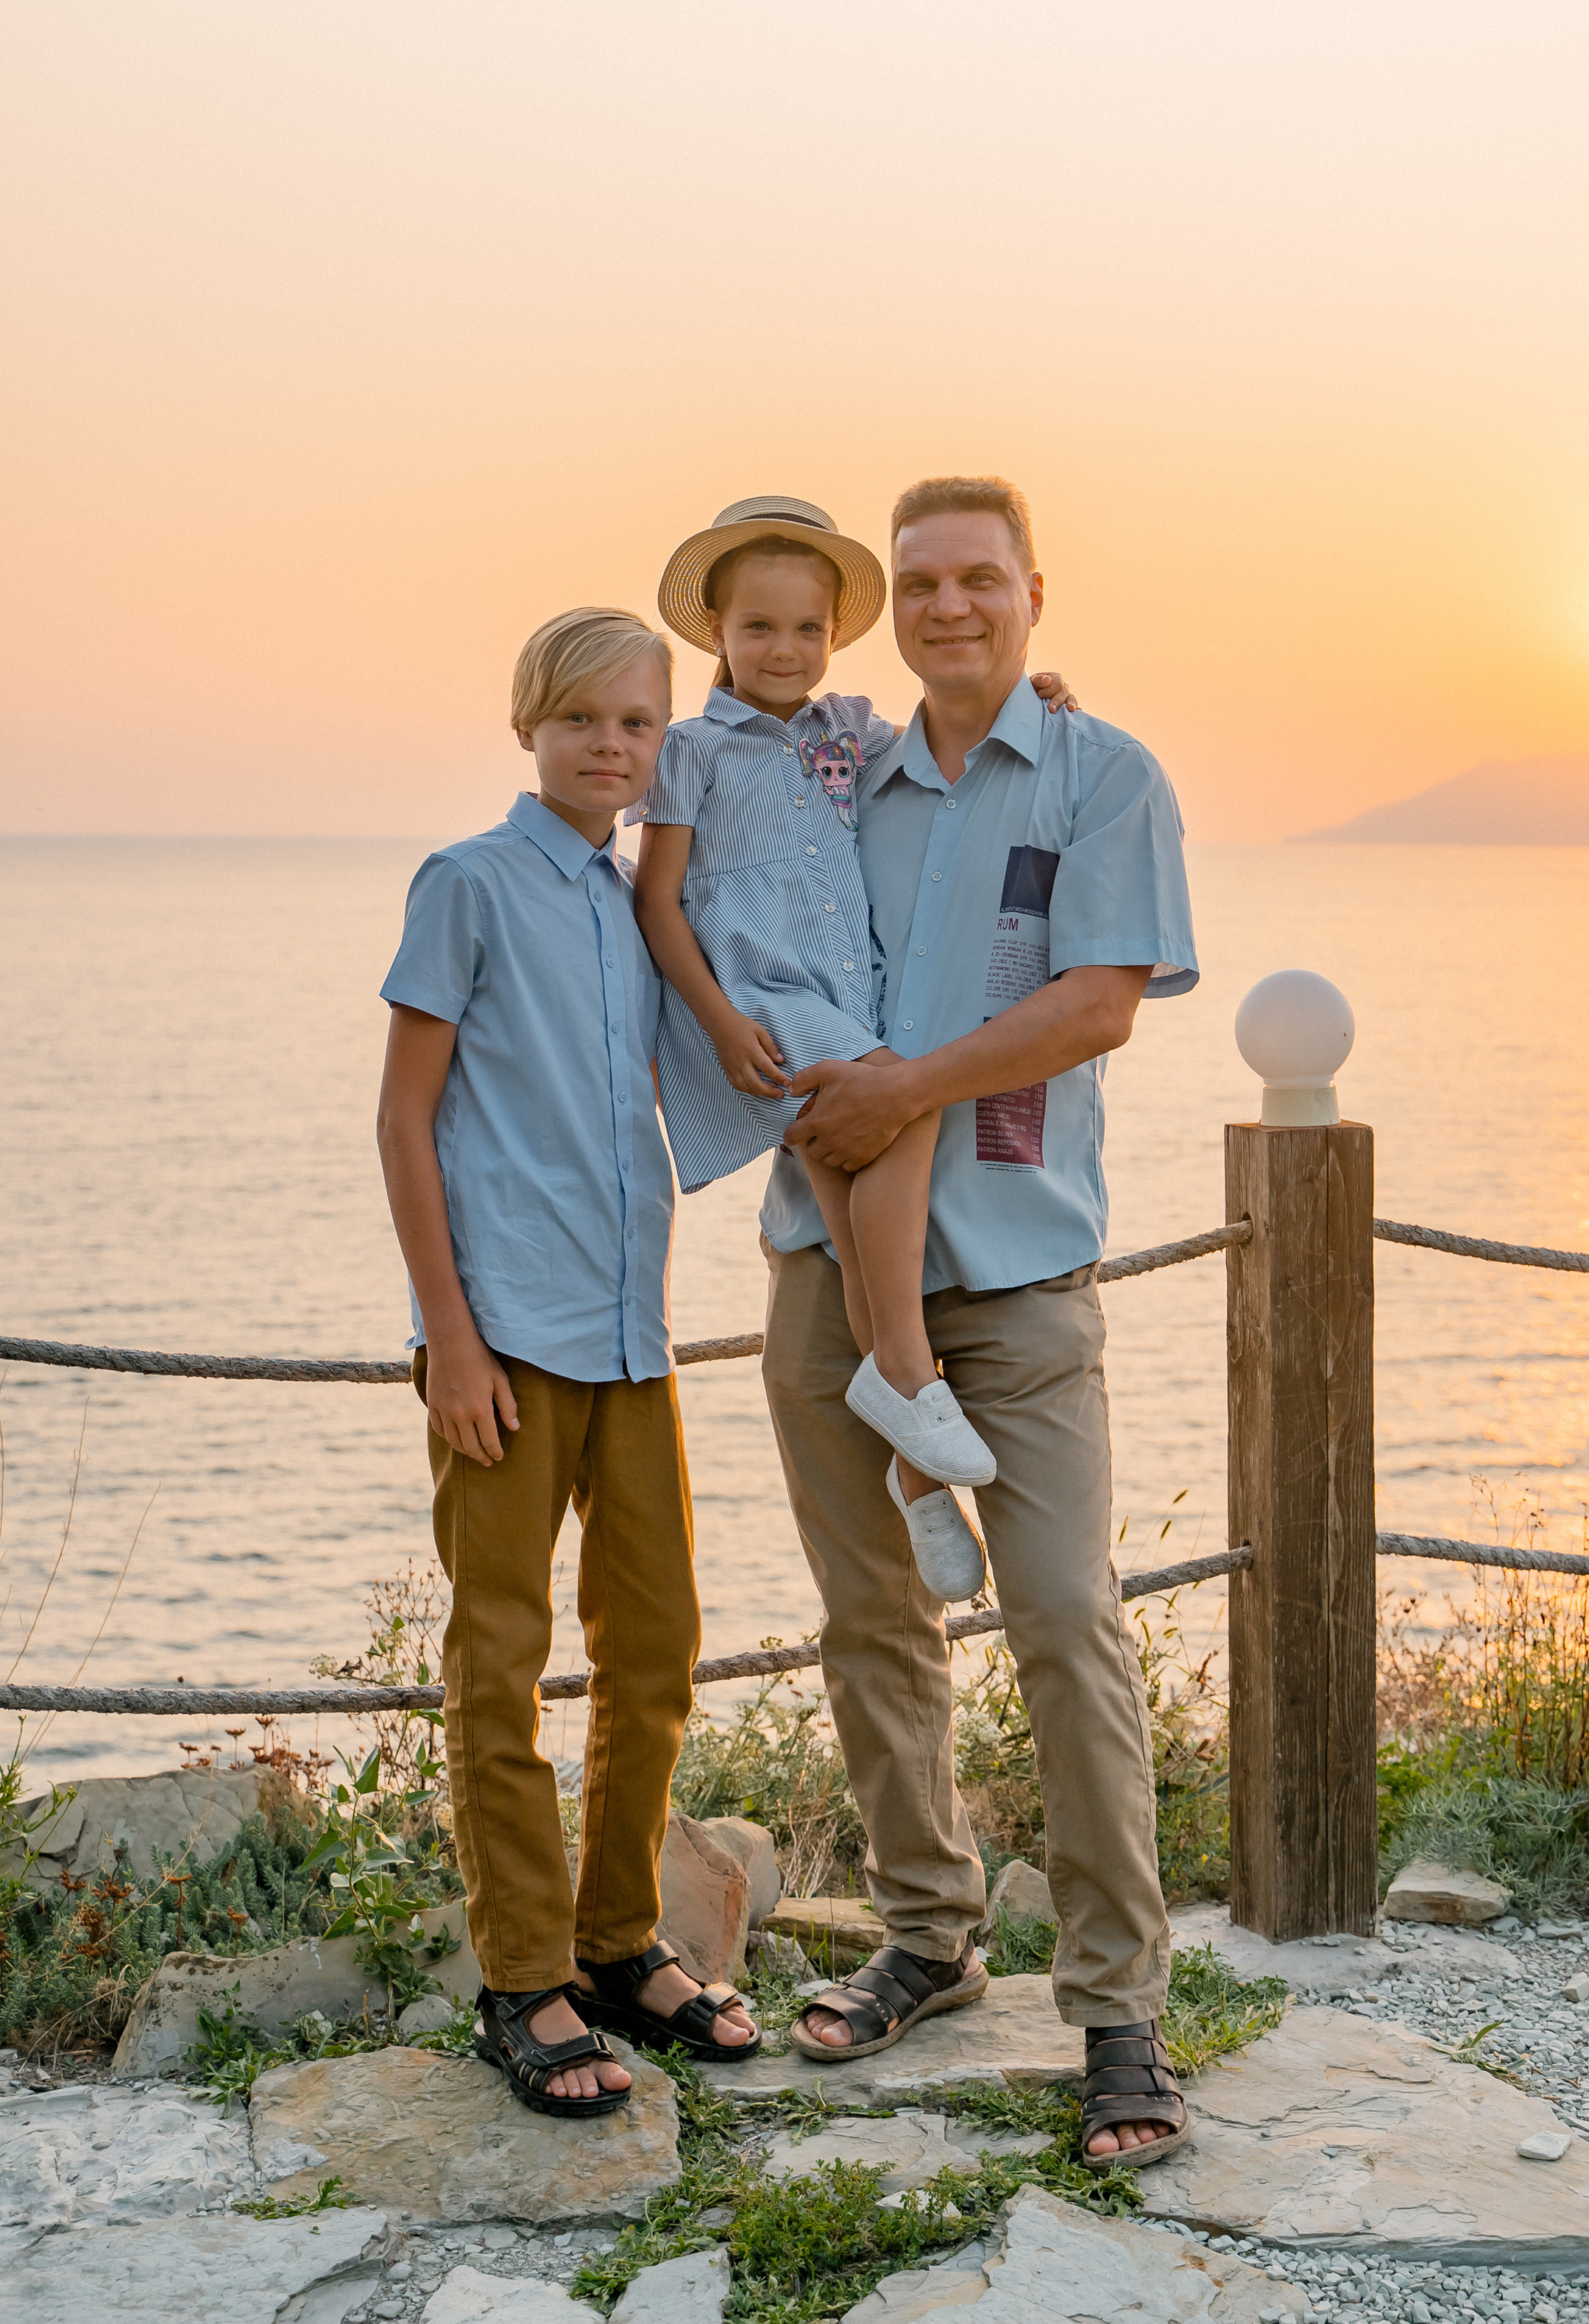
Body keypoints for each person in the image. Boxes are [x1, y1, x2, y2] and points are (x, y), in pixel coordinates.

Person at [758, 476, 1200, 2169]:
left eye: (978, 580)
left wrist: (903, 1094)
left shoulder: (1103, 776)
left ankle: (1118, 2012)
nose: (949, 606)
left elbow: (1095, 1007)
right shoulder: (832, 777)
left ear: (1033, 592)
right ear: (894, 605)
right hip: (819, 1265)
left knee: (1070, 1622)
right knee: (867, 1620)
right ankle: (928, 1937)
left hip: (1014, 1280)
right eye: (921, 583)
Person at [375, 604, 759, 2119]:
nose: (613, 746)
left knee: (656, 1644)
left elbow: (806, 750)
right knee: (501, 1661)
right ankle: (525, 1978)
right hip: (507, 1346)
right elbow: (406, 1120)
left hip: (627, 1337)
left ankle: (616, 1943)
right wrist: (449, 1341)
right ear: (530, 725)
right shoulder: (465, 885)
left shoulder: (633, 898)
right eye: (585, 720)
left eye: (638, 724)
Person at [634, 496, 1075, 1606]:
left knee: (855, 1194)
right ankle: (911, 1375)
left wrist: (1046, 695)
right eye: (757, 630)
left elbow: (959, 740)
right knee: (904, 1100)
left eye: (805, 631)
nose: (783, 652)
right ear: (716, 635)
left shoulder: (852, 733)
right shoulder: (690, 752)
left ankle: (918, 1473)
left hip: (844, 987)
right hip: (757, 993)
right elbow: (656, 904)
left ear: (833, 635)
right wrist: (722, 1021)